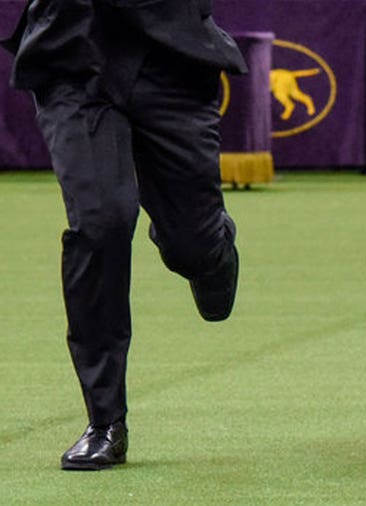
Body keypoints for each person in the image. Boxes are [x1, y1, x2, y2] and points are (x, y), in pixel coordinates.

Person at [1, 0, 247, 470]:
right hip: (72, 55)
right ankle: (105, 421)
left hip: (171, 56)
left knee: (191, 244)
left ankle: (209, 248)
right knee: (100, 224)